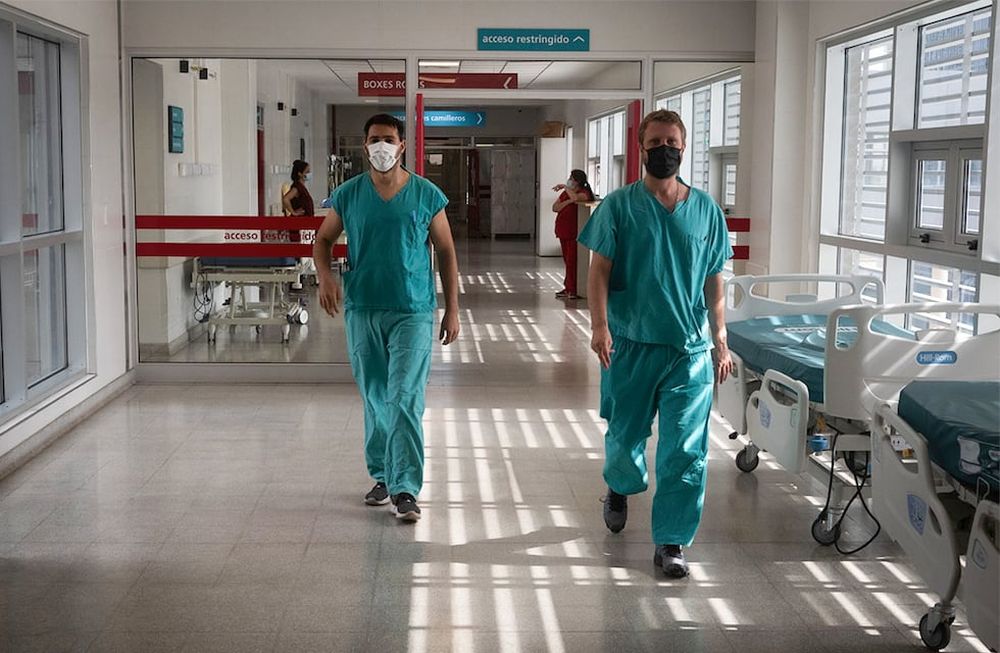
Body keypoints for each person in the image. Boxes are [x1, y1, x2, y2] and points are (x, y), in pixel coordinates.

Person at [578, 109, 734, 578]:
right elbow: (598, 272)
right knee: (625, 438)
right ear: (641, 148)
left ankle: (671, 540)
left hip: (688, 349)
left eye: (672, 142)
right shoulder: (618, 207)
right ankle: (620, 485)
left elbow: (714, 279)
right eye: (655, 142)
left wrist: (720, 339)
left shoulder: (706, 210)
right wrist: (600, 326)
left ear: (683, 148)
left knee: (685, 448)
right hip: (630, 343)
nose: (664, 150)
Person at [312, 114, 460, 522]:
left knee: (404, 397)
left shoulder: (426, 194)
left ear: (402, 146)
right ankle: (382, 473)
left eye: (389, 139)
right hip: (364, 308)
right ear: (365, 145)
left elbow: (446, 251)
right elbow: (323, 240)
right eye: (374, 139)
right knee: (376, 396)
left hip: (413, 308)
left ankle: (405, 486)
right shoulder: (349, 194)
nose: (382, 146)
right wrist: (325, 276)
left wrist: (452, 308)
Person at [551, 169, 594, 299]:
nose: (569, 180)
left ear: (577, 181)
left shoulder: (584, 193)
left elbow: (576, 198)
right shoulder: (566, 194)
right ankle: (568, 287)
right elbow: (555, 207)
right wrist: (567, 201)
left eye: (571, 178)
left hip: (573, 233)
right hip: (563, 231)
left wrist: (566, 189)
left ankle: (573, 289)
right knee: (567, 261)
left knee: (572, 262)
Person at [282, 160, 314, 243]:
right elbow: (286, 199)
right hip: (300, 225)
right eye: (307, 172)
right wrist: (293, 212)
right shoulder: (297, 187)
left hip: (306, 224)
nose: (309, 174)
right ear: (300, 174)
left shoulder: (302, 187)